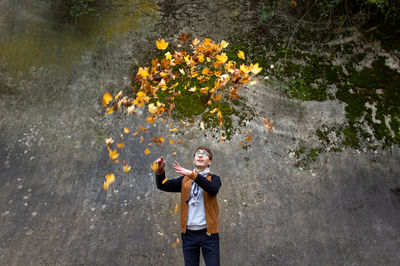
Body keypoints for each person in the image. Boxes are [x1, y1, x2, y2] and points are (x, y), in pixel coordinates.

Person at [154, 146, 221, 266]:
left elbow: (212, 189)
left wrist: (192, 174)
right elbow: (163, 185)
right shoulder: (185, 180)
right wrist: (160, 171)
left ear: (209, 162)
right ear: (194, 159)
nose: (200, 155)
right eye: (197, 154)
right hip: (188, 235)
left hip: (209, 235)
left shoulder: (214, 179)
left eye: (205, 154)